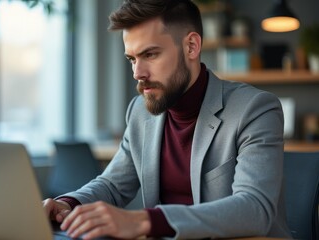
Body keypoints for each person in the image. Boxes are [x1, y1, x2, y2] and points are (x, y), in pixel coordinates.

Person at [43, 0, 292, 239]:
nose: (137, 73)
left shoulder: (255, 109)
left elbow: (254, 209)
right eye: (132, 59)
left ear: (191, 46)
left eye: (150, 54)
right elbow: (112, 185)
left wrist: (144, 221)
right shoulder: (140, 111)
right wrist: (68, 203)